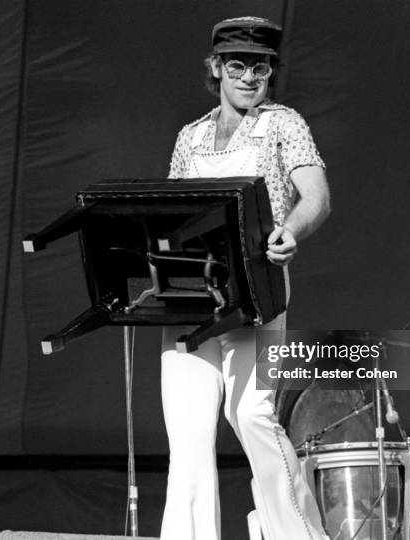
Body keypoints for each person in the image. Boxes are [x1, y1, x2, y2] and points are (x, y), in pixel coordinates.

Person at [161, 16, 331, 540]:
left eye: (261, 66)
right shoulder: (190, 137)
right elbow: (169, 209)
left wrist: (290, 232)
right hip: (194, 297)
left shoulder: (283, 123)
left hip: (258, 294)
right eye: (238, 64)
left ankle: (296, 533)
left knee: (253, 415)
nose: (250, 76)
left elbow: (317, 196)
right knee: (188, 433)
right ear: (215, 68)